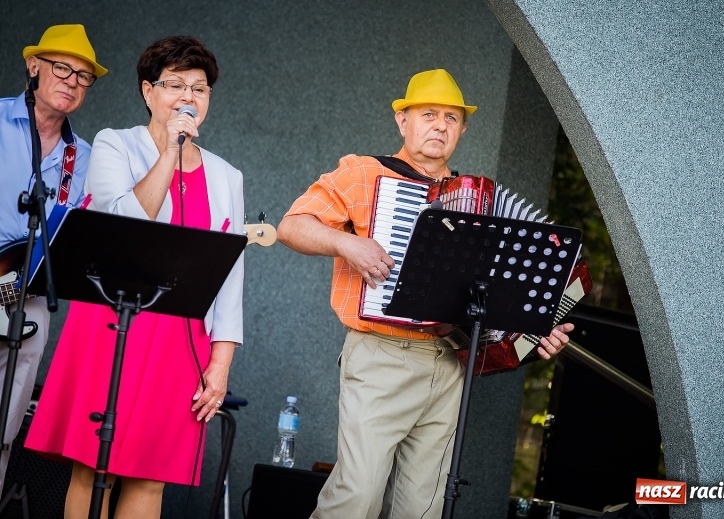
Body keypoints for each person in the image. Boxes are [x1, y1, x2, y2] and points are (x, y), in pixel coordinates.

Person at [276, 68, 575, 518]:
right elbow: (291, 227)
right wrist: (346, 242)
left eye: (451, 118)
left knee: (424, 507)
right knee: (357, 495)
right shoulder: (363, 173)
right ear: (403, 121)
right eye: (429, 114)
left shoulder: (477, 200)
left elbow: (496, 297)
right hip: (381, 356)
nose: (440, 125)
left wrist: (535, 330)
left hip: (448, 362)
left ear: (463, 129)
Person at [25, 35, 245, 519]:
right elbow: (125, 219)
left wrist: (221, 362)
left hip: (181, 337)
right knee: (92, 468)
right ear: (148, 92)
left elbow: (230, 275)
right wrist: (170, 151)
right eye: (175, 85)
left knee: (151, 475)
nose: (189, 97)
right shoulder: (114, 143)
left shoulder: (228, 176)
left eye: (200, 88)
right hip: (108, 324)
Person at [0, 23, 107, 496]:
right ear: (33, 66)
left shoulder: (82, 158)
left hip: (31, 295)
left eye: (83, 77)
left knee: (5, 427)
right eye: (62, 68)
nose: (71, 81)